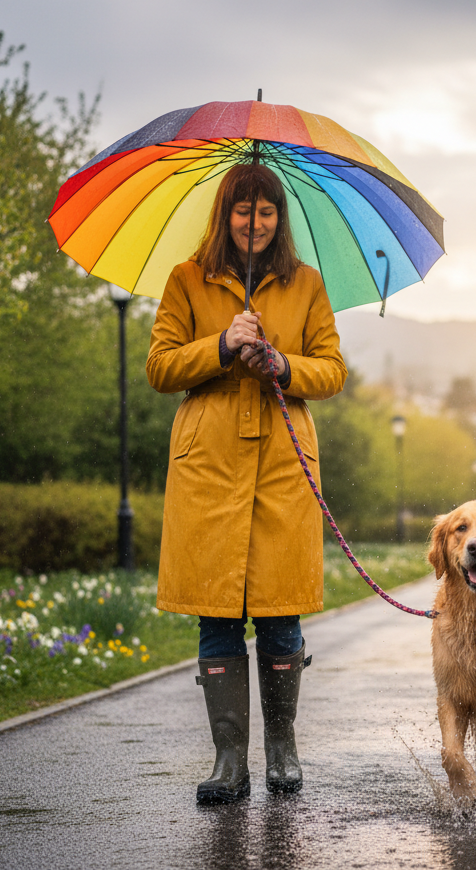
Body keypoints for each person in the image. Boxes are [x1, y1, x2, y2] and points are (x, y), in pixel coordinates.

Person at [146, 162, 347, 804]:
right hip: (210, 467)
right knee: (218, 614)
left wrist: (283, 364)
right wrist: (222, 345)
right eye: (243, 210)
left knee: (280, 611)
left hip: (284, 468)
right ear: (224, 214)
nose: (254, 223)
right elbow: (159, 366)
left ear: (279, 218)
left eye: (265, 212)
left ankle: (282, 750)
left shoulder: (307, 285)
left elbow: (333, 369)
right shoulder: (186, 280)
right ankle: (229, 761)